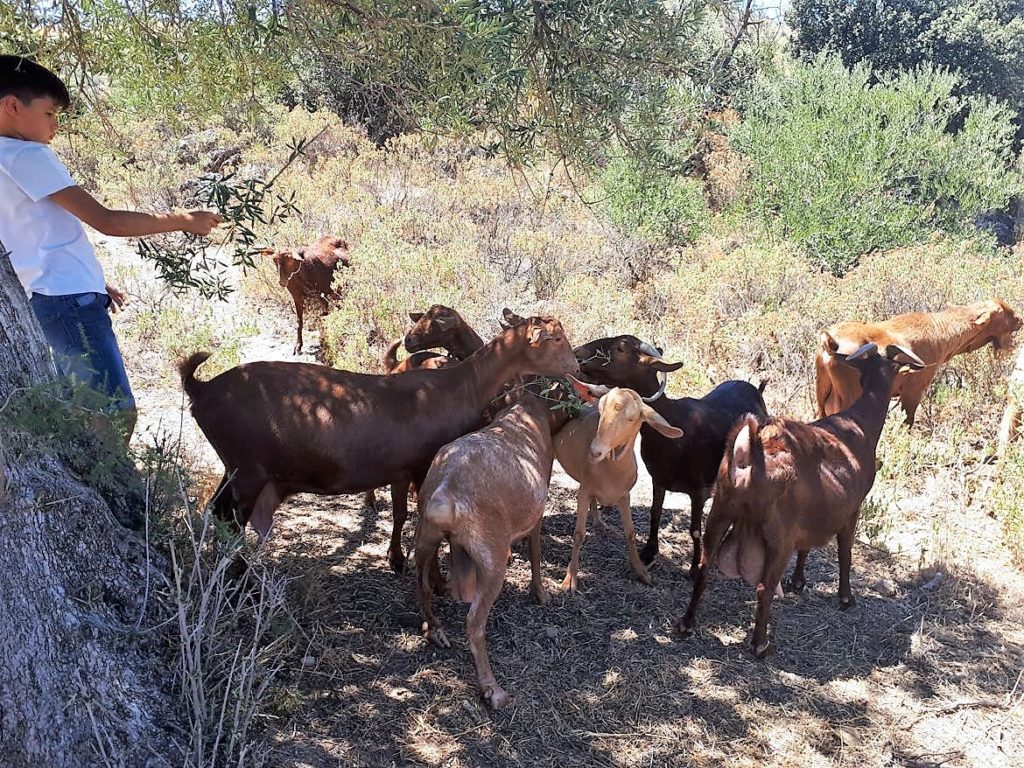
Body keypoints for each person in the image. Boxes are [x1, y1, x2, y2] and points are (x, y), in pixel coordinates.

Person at [0, 55, 221, 442]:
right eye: (49, 113)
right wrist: (184, 220)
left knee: (83, 408)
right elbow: (107, 221)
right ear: (12, 106)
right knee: (115, 412)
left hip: (47, 294)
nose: (55, 127)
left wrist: (94, 280)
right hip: (66, 297)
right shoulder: (27, 154)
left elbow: (37, 234)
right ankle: (111, 494)